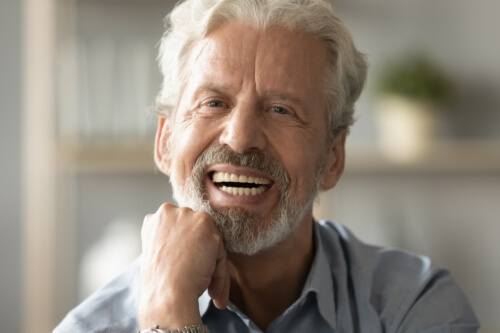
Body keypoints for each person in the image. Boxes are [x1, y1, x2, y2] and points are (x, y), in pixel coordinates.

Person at [54, 0, 479, 332]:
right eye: (213, 103)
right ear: (165, 141)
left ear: (333, 157)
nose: (239, 138)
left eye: (280, 109)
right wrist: (168, 310)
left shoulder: (413, 306)